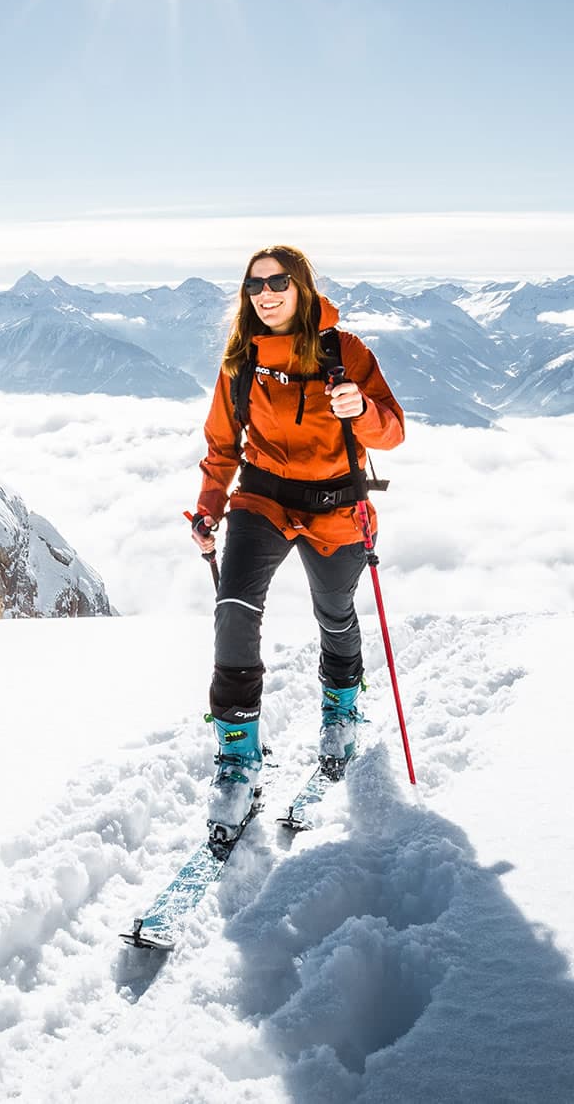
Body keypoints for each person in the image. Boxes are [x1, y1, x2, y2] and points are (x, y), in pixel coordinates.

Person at [189, 245, 407, 844]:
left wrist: (360, 409)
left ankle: (340, 710)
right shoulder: (241, 362)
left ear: (303, 287)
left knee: (334, 611)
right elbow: (222, 446)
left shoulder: (345, 352)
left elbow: (392, 430)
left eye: (279, 281)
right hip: (261, 498)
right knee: (233, 612)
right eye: (255, 284)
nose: (267, 293)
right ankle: (238, 762)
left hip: (336, 501)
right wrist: (209, 509)